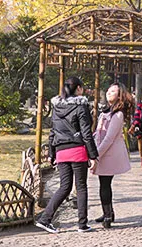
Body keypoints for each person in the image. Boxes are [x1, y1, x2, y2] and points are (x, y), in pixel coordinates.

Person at [35, 77, 99, 234]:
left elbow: (53, 132)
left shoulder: (56, 108)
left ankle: (45, 219)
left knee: (65, 187)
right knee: (81, 186)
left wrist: (51, 153)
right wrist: (93, 155)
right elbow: (86, 133)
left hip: (61, 151)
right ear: (78, 89)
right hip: (77, 150)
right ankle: (82, 224)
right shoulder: (81, 107)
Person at [92, 83, 133, 229]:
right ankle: (108, 212)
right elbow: (99, 132)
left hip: (109, 153)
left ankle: (108, 214)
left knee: (104, 185)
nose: (109, 92)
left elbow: (109, 138)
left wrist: (96, 155)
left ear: (119, 95)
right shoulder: (106, 111)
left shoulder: (118, 114)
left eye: (113, 91)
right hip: (103, 151)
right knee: (104, 184)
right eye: (109, 90)